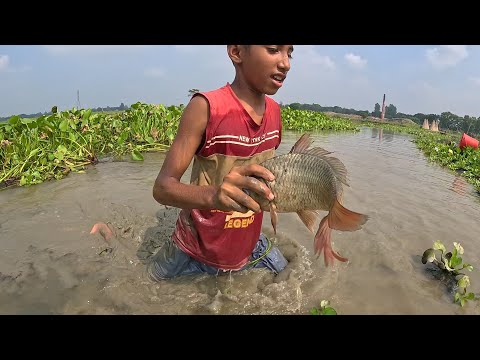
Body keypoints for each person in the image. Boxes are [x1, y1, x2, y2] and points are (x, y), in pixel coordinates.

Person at [147, 45, 294, 281]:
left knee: (292, 276)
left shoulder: (275, 113)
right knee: (148, 283)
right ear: (236, 52)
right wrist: (215, 196)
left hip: (250, 245)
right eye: (274, 49)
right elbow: (162, 188)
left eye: (290, 53)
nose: (285, 63)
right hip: (193, 249)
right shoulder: (205, 107)